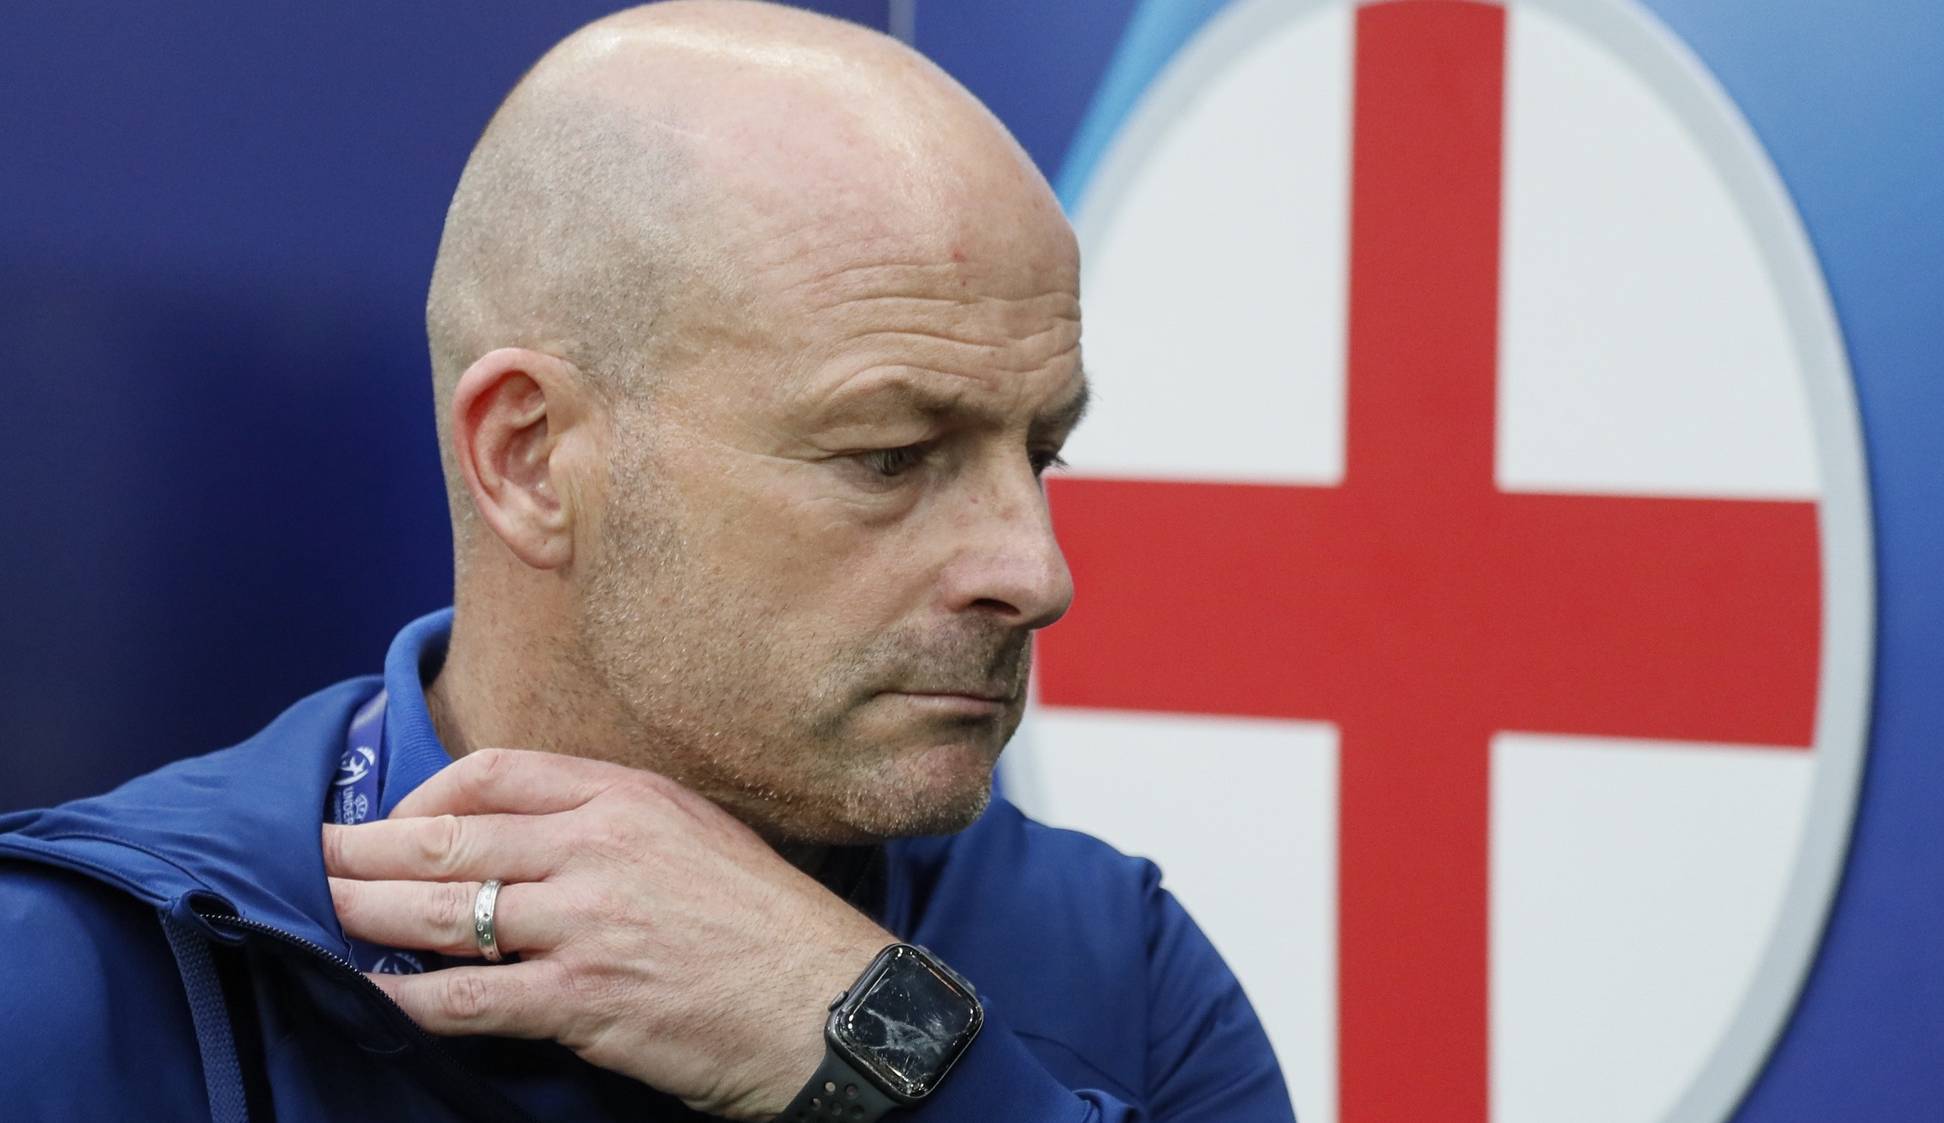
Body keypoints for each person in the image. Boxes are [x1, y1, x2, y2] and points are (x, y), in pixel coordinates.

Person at [0, 3, 1291, 1120]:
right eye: (892, 457)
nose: (1035, 570)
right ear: (530, 458)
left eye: (1043, 452)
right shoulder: (90, 986)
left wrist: (875, 1045)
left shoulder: (1117, 966)